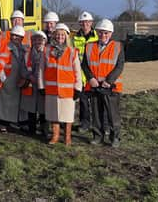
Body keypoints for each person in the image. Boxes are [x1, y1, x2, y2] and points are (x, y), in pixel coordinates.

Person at [81, 19, 124, 148]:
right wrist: (91, 78)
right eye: (100, 33)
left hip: (110, 87)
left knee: (112, 114)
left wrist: (109, 81)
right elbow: (84, 64)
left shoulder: (118, 46)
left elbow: (119, 66)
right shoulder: (89, 46)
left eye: (106, 33)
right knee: (97, 114)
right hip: (94, 86)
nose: (103, 35)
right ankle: (97, 136)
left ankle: (114, 137)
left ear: (111, 33)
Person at [39, 23, 82, 146]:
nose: (60, 37)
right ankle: (55, 135)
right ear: (54, 36)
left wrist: (78, 88)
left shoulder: (72, 52)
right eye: (57, 34)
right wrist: (41, 86)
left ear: (66, 36)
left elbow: (77, 72)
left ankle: (67, 137)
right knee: (54, 114)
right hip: (52, 89)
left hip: (67, 90)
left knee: (67, 115)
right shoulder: (47, 50)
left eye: (62, 35)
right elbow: (41, 70)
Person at [0, 25, 27, 132]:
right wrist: (1, 78)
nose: (16, 38)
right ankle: (3, 123)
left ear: (22, 38)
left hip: (17, 78)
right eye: (14, 36)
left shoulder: (24, 49)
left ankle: (16, 121)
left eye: (19, 37)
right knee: (4, 101)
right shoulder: (5, 47)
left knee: (17, 101)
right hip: (6, 78)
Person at [72, 11, 98, 132]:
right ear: (80, 24)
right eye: (83, 22)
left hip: (95, 74)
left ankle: (100, 125)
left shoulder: (97, 36)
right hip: (81, 74)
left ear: (91, 23)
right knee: (83, 102)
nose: (85, 24)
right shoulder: (75, 38)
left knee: (96, 102)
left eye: (87, 22)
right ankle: (84, 124)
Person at [19, 30, 48, 136]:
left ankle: (44, 130)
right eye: (35, 40)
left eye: (40, 40)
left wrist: (41, 80)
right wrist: (30, 76)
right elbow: (22, 68)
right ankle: (32, 130)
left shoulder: (47, 53)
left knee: (43, 109)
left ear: (45, 41)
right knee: (31, 108)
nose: (37, 42)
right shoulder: (27, 53)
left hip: (43, 85)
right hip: (31, 84)